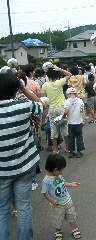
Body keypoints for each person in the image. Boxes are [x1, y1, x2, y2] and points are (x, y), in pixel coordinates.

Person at [0, 70, 42, 240]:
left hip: (2, 170)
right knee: (24, 206)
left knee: (2, 209)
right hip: (24, 165)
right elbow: (40, 104)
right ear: (16, 89)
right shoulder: (24, 106)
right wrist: (24, 90)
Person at [41, 154, 81, 240]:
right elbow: (44, 193)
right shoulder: (46, 181)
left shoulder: (58, 175)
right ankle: (58, 231)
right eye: (61, 170)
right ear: (55, 170)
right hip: (57, 205)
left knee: (71, 216)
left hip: (67, 200)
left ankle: (74, 229)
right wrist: (52, 200)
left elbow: (63, 183)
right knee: (57, 218)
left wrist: (71, 184)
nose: (62, 172)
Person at [42, 65, 72, 153]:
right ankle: (67, 148)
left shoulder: (45, 85)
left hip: (51, 109)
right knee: (64, 128)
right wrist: (60, 69)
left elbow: (44, 98)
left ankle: (55, 149)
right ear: (57, 75)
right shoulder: (59, 82)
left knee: (53, 129)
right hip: (61, 108)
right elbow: (69, 74)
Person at [62, 88, 85, 158]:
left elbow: (66, 111)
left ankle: (71, 152)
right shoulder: (80, 101)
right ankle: (78, 152)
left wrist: (63, 117)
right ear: (76, 93)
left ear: (68, 94)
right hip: (78, 122)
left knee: (71, 138)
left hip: (70, 123)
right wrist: (83, 120)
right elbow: (82, 111)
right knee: (79, 137)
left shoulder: (67, 101)